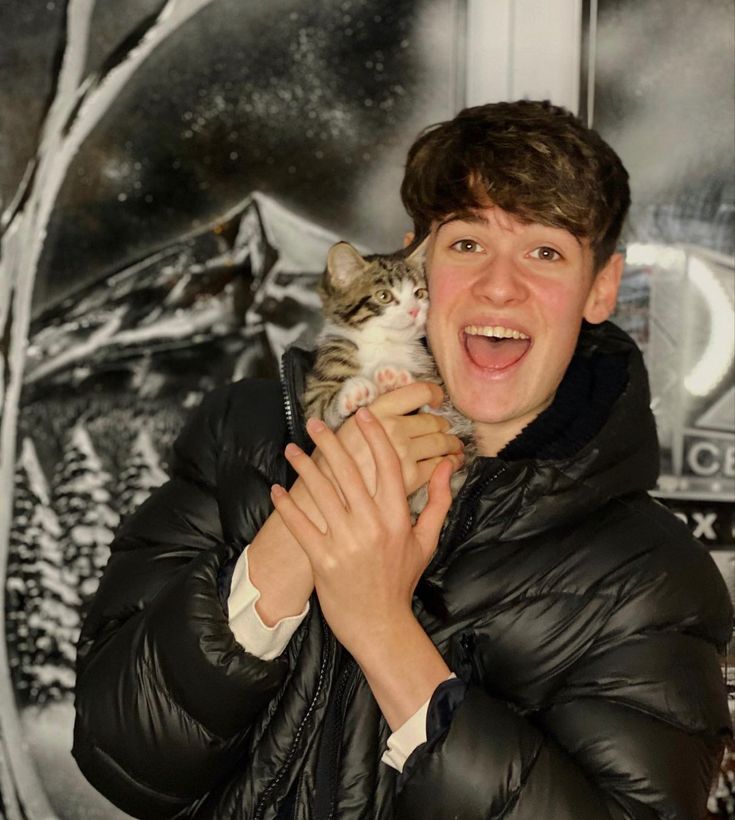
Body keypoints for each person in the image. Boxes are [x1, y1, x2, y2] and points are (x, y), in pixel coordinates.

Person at [73, 100, 732, 819]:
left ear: (601, 287)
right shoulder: (244, 438)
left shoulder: (653, 579)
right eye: (466, 244)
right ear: (416, 259)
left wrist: (382, 628)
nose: (499, 286)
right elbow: (124, 754)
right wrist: (300, 530)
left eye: (545, 251)